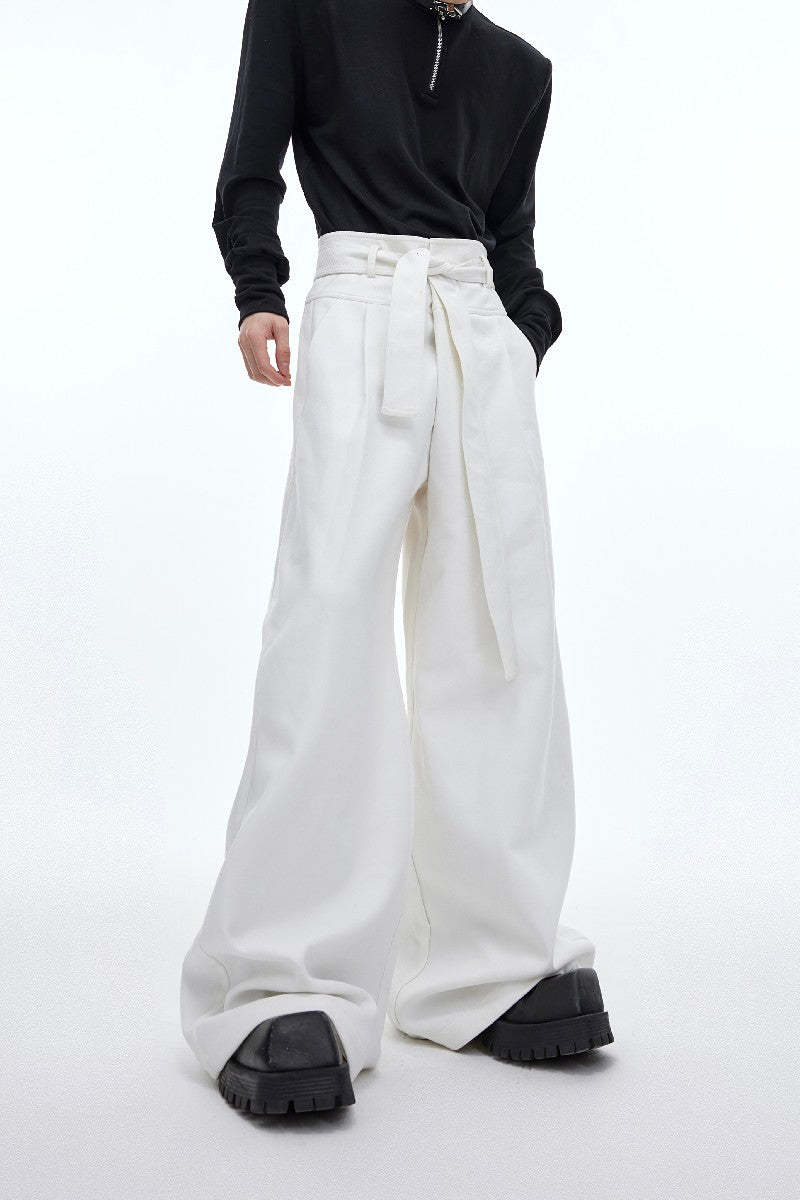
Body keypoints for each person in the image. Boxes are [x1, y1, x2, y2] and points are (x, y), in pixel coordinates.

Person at [180, 0, 613, 1118]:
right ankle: (282, 978)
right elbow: (249, 169)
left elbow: (509, 230)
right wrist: (258, 289)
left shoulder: (519, 68)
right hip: (360, 300)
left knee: (500, 635)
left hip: (476, 329)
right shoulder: (307, 9)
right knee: (327, 626)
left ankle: (494, 963)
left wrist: (525, 330)